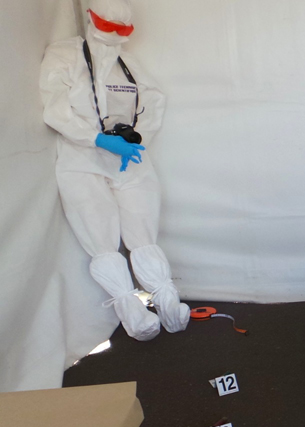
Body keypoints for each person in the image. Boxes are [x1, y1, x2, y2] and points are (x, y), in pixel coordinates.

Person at [40, 0, 188, 341]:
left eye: (123, 29)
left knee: (142, 229)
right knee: (100, 235)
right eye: (109, 26)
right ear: (91, 19)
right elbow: (55, 107)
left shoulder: (129, 65)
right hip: (82, 161)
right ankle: (133, 314)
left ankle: (167, 302)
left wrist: (138, 139)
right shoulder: (64, 55)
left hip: (129, 160)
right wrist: (95, 138)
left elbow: (154, 101)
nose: (116, 35)